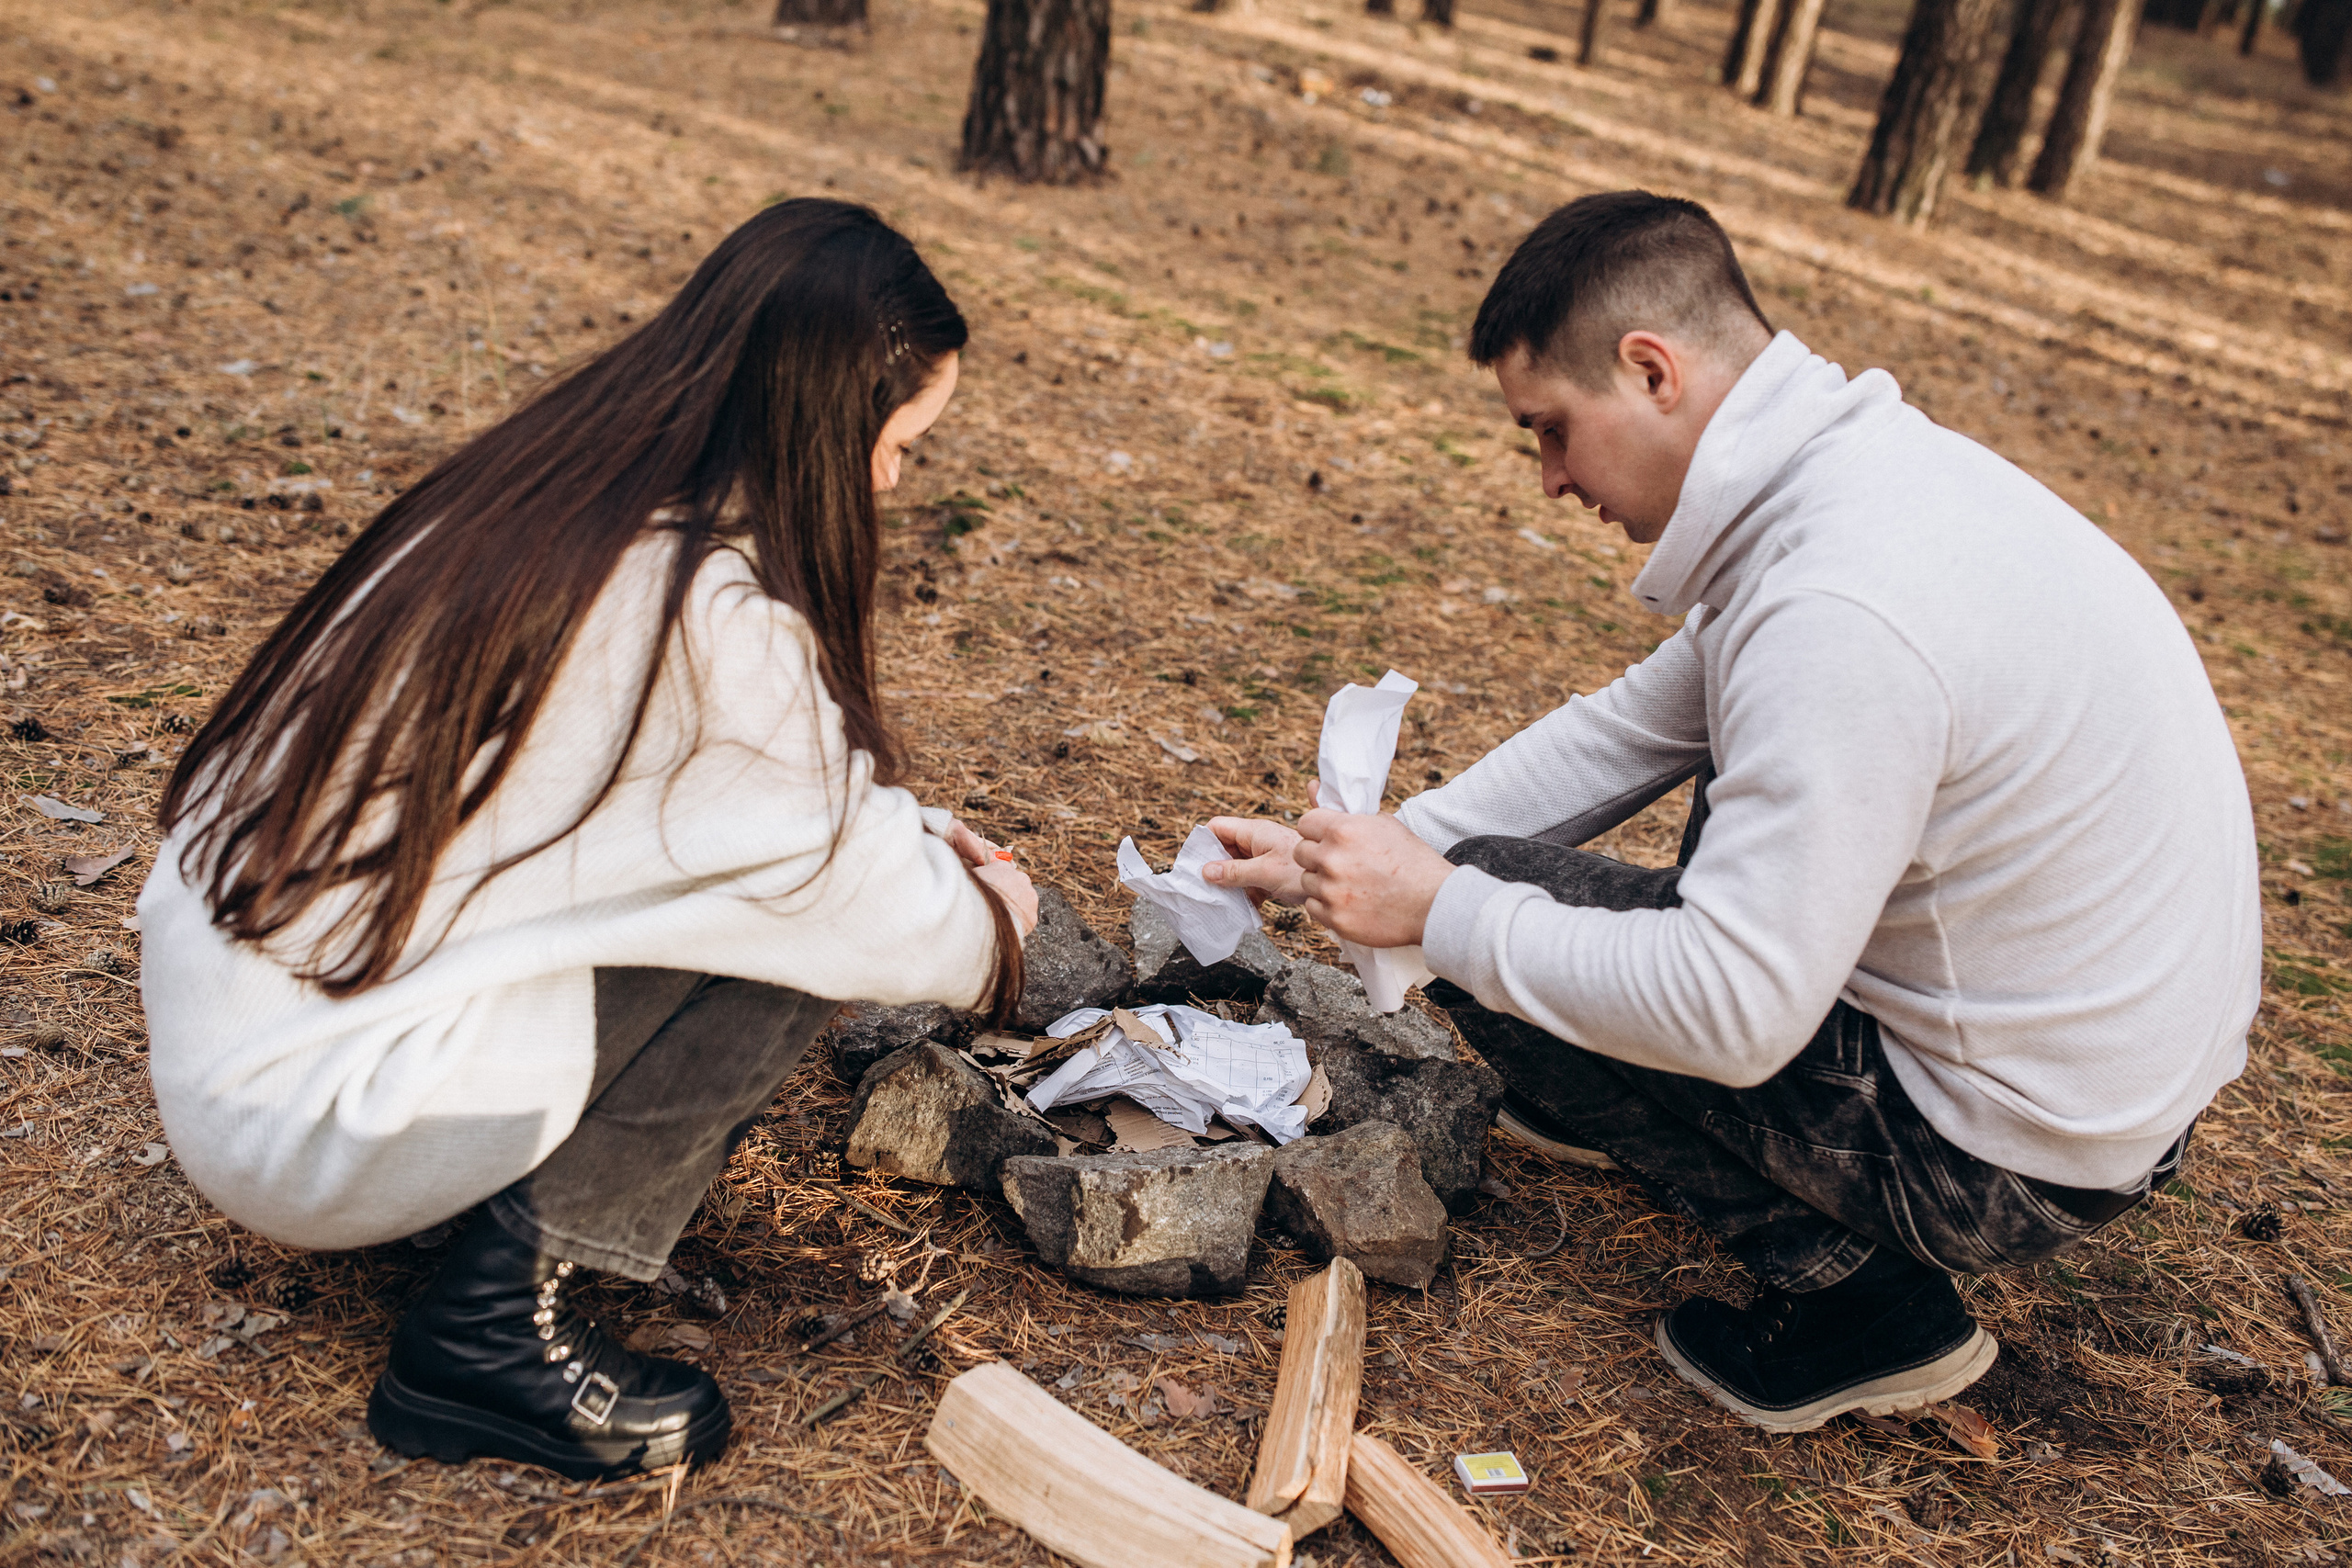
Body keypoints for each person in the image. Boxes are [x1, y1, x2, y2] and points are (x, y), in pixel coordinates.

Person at [1207, 190, 2257, 1433]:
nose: (1548, 480)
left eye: (1551, 430)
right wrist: (1357, 854)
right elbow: (1637, 726)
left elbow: (1736, 1011)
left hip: (2013, 1153)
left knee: (1492, 928)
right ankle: (1622, 1083)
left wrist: (1437, 910)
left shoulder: (1837, 611)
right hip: (2109, 1074)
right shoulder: (1868, 484)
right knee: (1496, 894)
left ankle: (1869, 1305)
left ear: (1651, 370)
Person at [137, 199, 1036, 1481]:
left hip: (257, 1021)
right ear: (824, 420)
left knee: (800, 875)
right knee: (810, 928)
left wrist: (911, 841)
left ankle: (473, 1220)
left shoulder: (568, 494)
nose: (892, 481)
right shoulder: (706, 613)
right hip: (315, 1109)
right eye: (899, 444)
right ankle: (497, 1333)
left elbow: (753, 803)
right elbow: (856, 880)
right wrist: (1001, 922)